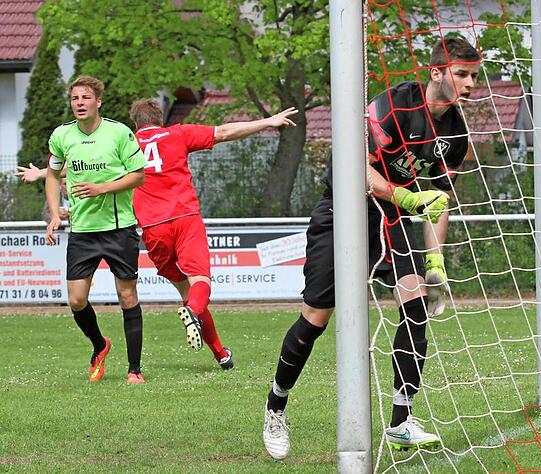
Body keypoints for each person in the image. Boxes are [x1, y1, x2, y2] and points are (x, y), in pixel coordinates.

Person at [262, 37, 481, 460]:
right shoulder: (393, 105)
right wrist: (408, 198)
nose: (470, 83)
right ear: (437, 72)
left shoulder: (456, 133)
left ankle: (401, 421)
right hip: (343, 210)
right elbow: (356, 168)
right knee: (315, 320)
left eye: (474, 75)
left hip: (391, 216)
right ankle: (276, 404)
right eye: (462, 74)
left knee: (416, 302)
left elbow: (438, 200)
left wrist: (436, 262)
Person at [128, 98, 298, 368]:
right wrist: (267, 121)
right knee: (201, 282)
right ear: (160, 119)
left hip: (152, 227)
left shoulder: (125, 144)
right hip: (185, 217)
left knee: (186, 289)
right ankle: (192, 311)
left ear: (135, 123)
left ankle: (221, 353)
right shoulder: (178, 133)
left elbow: (92, 166)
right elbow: (225, 132)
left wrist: (47, 172)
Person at [45, 75, 147, 384]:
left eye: (85, 98)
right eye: (75, 98)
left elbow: (139, 176)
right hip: (82, 230)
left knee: (126, 295)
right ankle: (100, 345)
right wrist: (54, 214)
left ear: (97, 102)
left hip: (119, 229)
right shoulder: (62, 136)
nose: (79, 103)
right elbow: (51, 175)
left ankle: (134, 369)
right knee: (76, 300)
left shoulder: (118, 133)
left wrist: (102, 188)